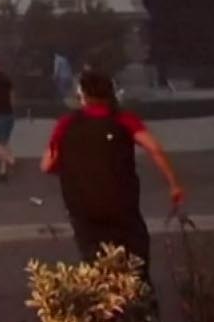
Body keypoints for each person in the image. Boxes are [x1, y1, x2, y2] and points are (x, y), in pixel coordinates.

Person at [43, 69, 185, 296]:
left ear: (83, 94)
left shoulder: (67, 123)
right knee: (136, 262)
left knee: (94, 264)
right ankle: (140, 307)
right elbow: (154, 148)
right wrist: (174, 183)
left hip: (83, 208)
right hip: (123, 206)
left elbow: (47, 164)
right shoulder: (123, 119)